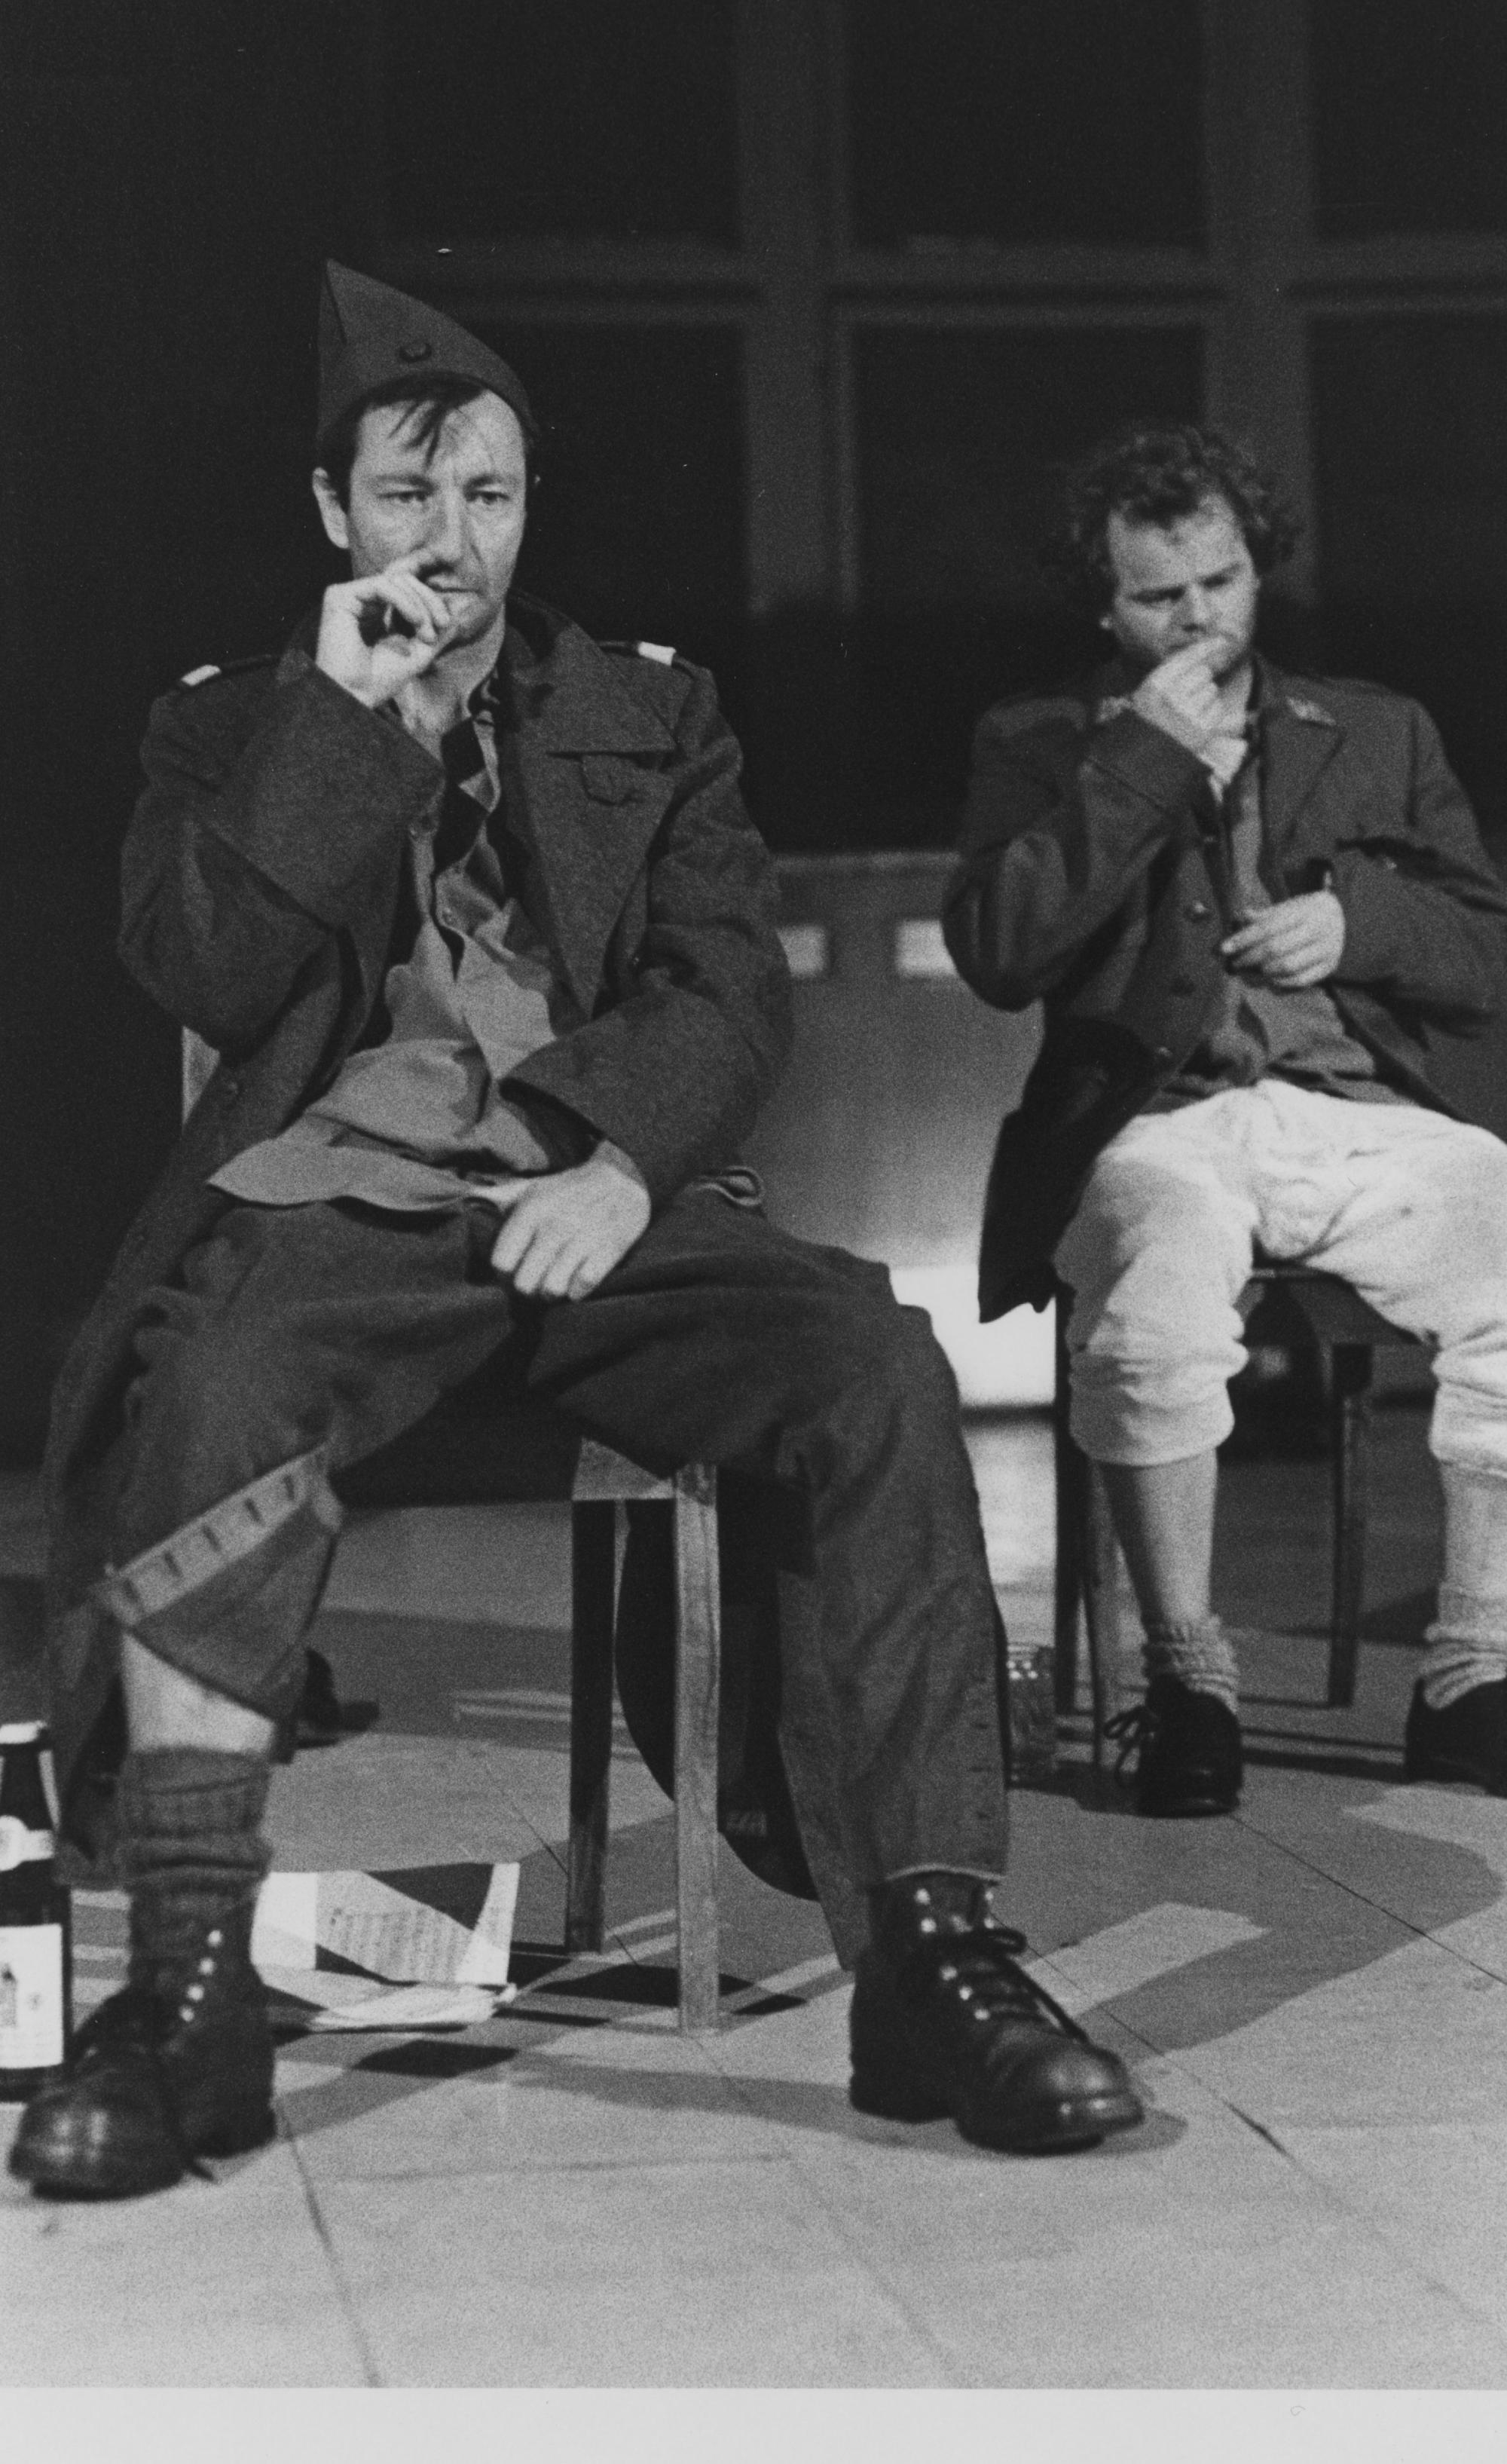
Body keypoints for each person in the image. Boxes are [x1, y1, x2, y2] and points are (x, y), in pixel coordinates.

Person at [8, 266, 1141, 2198]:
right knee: (208, 1382)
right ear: (331, 511)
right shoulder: (228, 728)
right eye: (408, 495)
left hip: (602, 1199)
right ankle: (190, 1987)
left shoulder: (650, 710)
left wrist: (617, 1163)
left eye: (491, 496)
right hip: (336, 1200)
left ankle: (929, 1958)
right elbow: (197, 970)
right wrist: (341, 722)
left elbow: (727, 985)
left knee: (870, 1363)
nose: (452, 543)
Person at [946, 421, 1507, 1819]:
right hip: (1160, 1123)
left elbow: (1486, 948)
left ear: (1260, 568)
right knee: (1158, 1287)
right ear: (1105, 605)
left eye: (1222, 581)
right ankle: (1186, 1679)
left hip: (1362, 1115)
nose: (1199, 616)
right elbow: (998, 949)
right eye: (1160, 595)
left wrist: (1363, 926)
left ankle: (1472, 1674)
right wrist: (1138, 763)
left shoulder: (1377, 727)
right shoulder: (1037, 739)